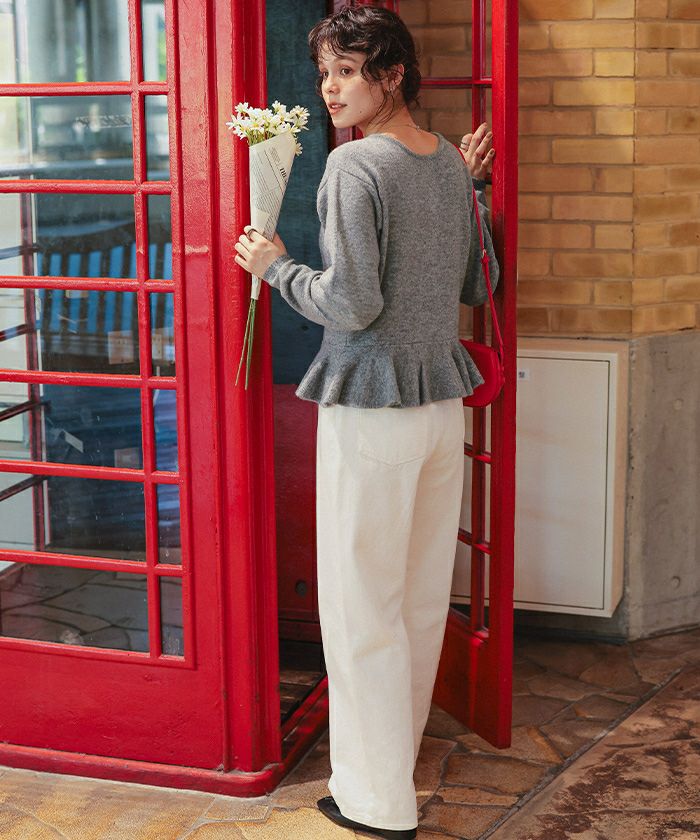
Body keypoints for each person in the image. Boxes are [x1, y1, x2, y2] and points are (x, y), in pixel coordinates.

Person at [233, 5, 498, 839]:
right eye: (324, 73)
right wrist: (473, 192)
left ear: (392, 74)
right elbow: (477, 286)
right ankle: (393, 771)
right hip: (439, 410)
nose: (330, 88)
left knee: (360, 610)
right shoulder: (448, 163)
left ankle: (375, 802)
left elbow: (350, 303)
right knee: (416, 603)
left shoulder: (353, 167)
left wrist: (275, 267)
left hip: (372, 411)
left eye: (347, 71)